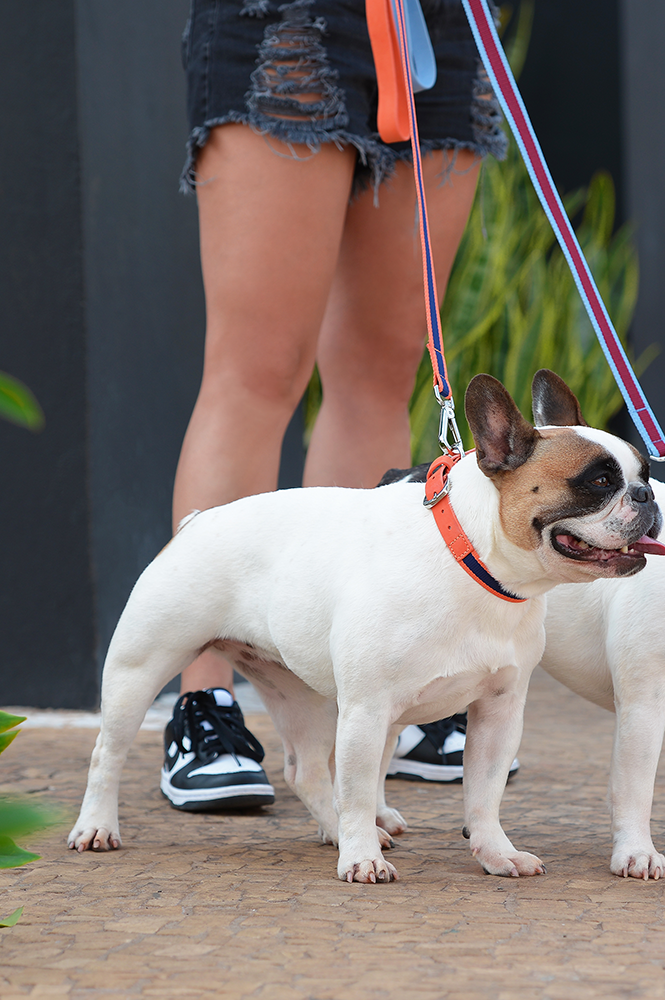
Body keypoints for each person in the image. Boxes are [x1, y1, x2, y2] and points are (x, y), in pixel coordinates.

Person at [160, 0, 512, 811]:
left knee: (381, 373)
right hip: (284, 17)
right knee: (258, 371)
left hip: (442, 29)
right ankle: (204, 699)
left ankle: (376, 683)